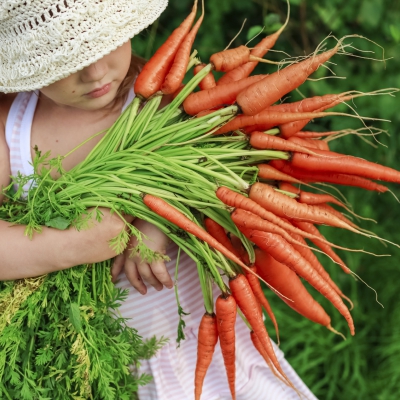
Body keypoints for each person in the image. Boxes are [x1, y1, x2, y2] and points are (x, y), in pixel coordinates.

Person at [0, 1, 318, 399]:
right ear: (28, 65)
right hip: (96, 363)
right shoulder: (13, 128)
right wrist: (68, 247)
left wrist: (160, 221)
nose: (95, 72)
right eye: (67, 61)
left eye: (106, 43)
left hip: (203, 342)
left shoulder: (166, 95)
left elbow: (219, 174)